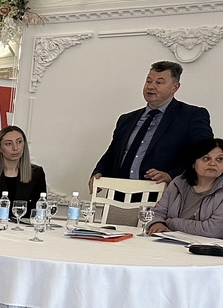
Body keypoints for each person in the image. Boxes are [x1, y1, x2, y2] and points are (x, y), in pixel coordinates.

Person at [90, 60, 212, 188]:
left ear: (175, 87)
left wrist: (171, 175)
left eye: (159, 82)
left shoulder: (191, 116)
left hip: (164, 193)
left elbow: (205, 155)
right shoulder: (126, 119)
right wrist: (99, 172)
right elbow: (112, 153)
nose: (151, 87)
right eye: (148, 81)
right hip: (120, 193)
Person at [146, 137, 223, 238]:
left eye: (220, 159)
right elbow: (157, 212)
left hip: (207, 245)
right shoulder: (179, 182)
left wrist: (171, 223)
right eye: (206, 158)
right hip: (170, 241)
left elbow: (214, 230)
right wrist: (157, 223)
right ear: (193, 163)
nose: (213, 163)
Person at [0, 126, 47, 218]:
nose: (15, 148)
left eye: (19, 142)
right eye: (8, 144)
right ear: (0, 148)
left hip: (26, 226)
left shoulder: (37, 173)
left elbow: (39, 209)